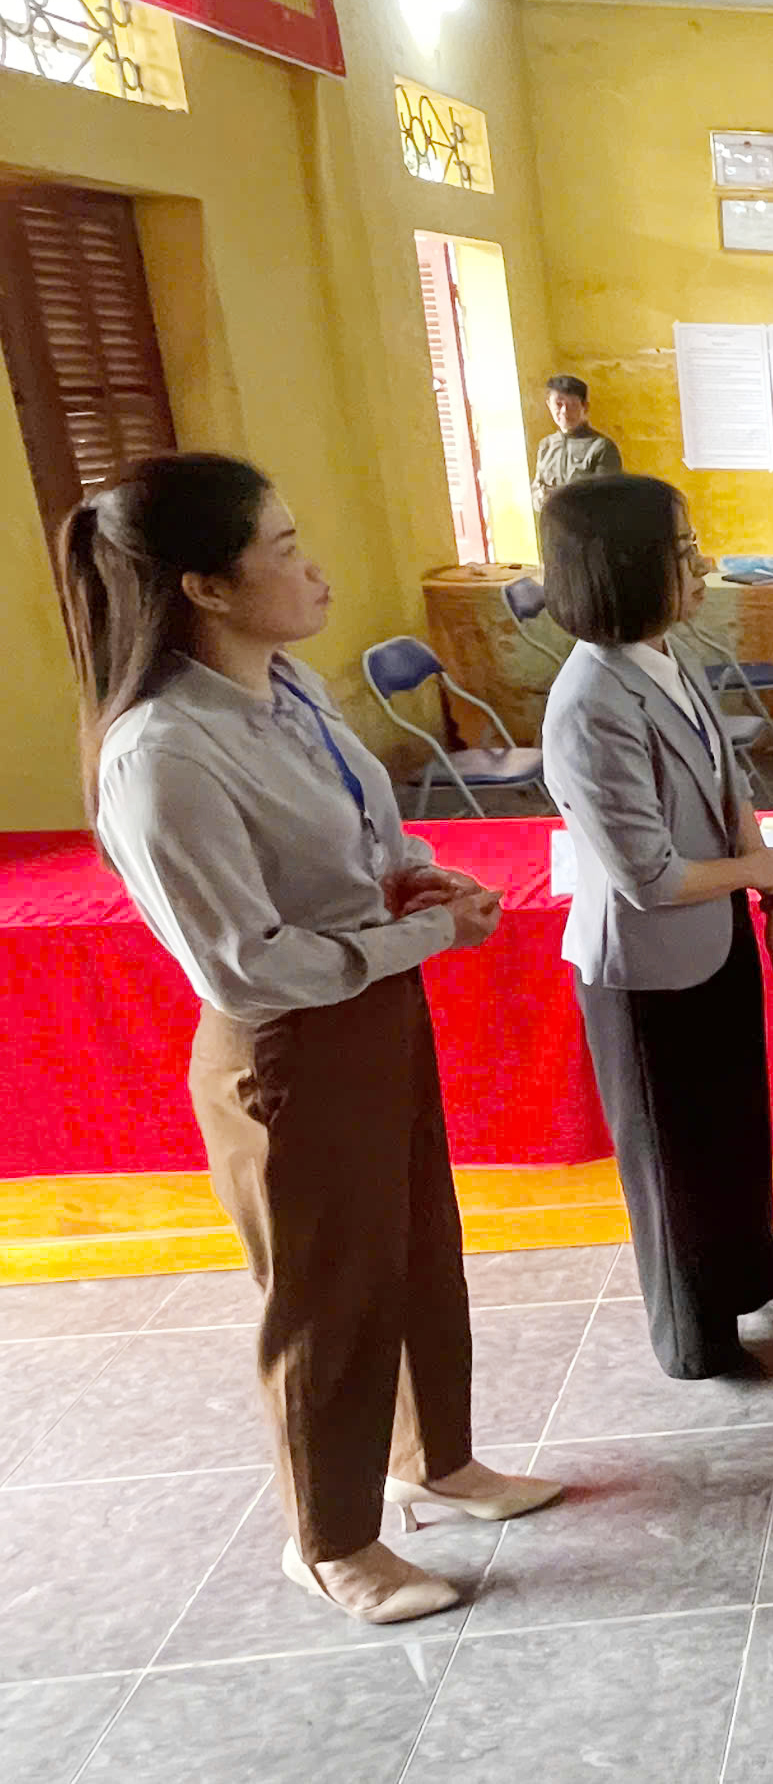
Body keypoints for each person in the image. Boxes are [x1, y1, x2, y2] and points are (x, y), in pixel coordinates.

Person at [63, 452, 559, 1626]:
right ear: (206, 588)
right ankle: (330, 1541)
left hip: (374, 1010)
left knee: (416, 1246)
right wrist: (424, 937)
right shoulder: (163, 751)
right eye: (283, 551)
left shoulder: (288, 689)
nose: (316, 571)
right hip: (288, 1046)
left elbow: (359, 840)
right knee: (326, 1296)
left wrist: (418, 880)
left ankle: (436, 1460)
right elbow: (241, 961)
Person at [539, 474, 773, 1380]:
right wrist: (760, 875)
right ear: (626, 568)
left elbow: (731, 792)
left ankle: (750, 1275)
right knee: (671, 1165)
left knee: (733, 1128)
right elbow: (649, 878)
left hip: (716, 934)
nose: (699, 565)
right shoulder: (589, 703)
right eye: (682, 551)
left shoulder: (665, 657)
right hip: (644, 969)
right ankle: (696, 1340)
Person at [533, 373, 621, 504]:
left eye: (572, 405)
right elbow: (536, 492)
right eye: (558, 404)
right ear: (549, 405)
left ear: (585, 407)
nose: (564, 411)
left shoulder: (601, 447)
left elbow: (606, 498)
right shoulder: (546, 446)